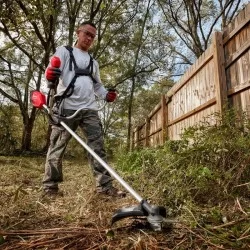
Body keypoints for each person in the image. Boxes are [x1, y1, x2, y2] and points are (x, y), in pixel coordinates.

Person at [43, 21, 125, 198]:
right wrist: (49, 74)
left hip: (89, 109)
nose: (89, 38)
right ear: (78, 33)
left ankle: (104, 187)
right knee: (57, 147)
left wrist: (107, 95)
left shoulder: (93, 62)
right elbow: (51, 70)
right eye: (86, 33)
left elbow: (98, 86)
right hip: (66, 108)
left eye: (92, 36)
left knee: (97, 147)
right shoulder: (65, 51)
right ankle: (50, 187)